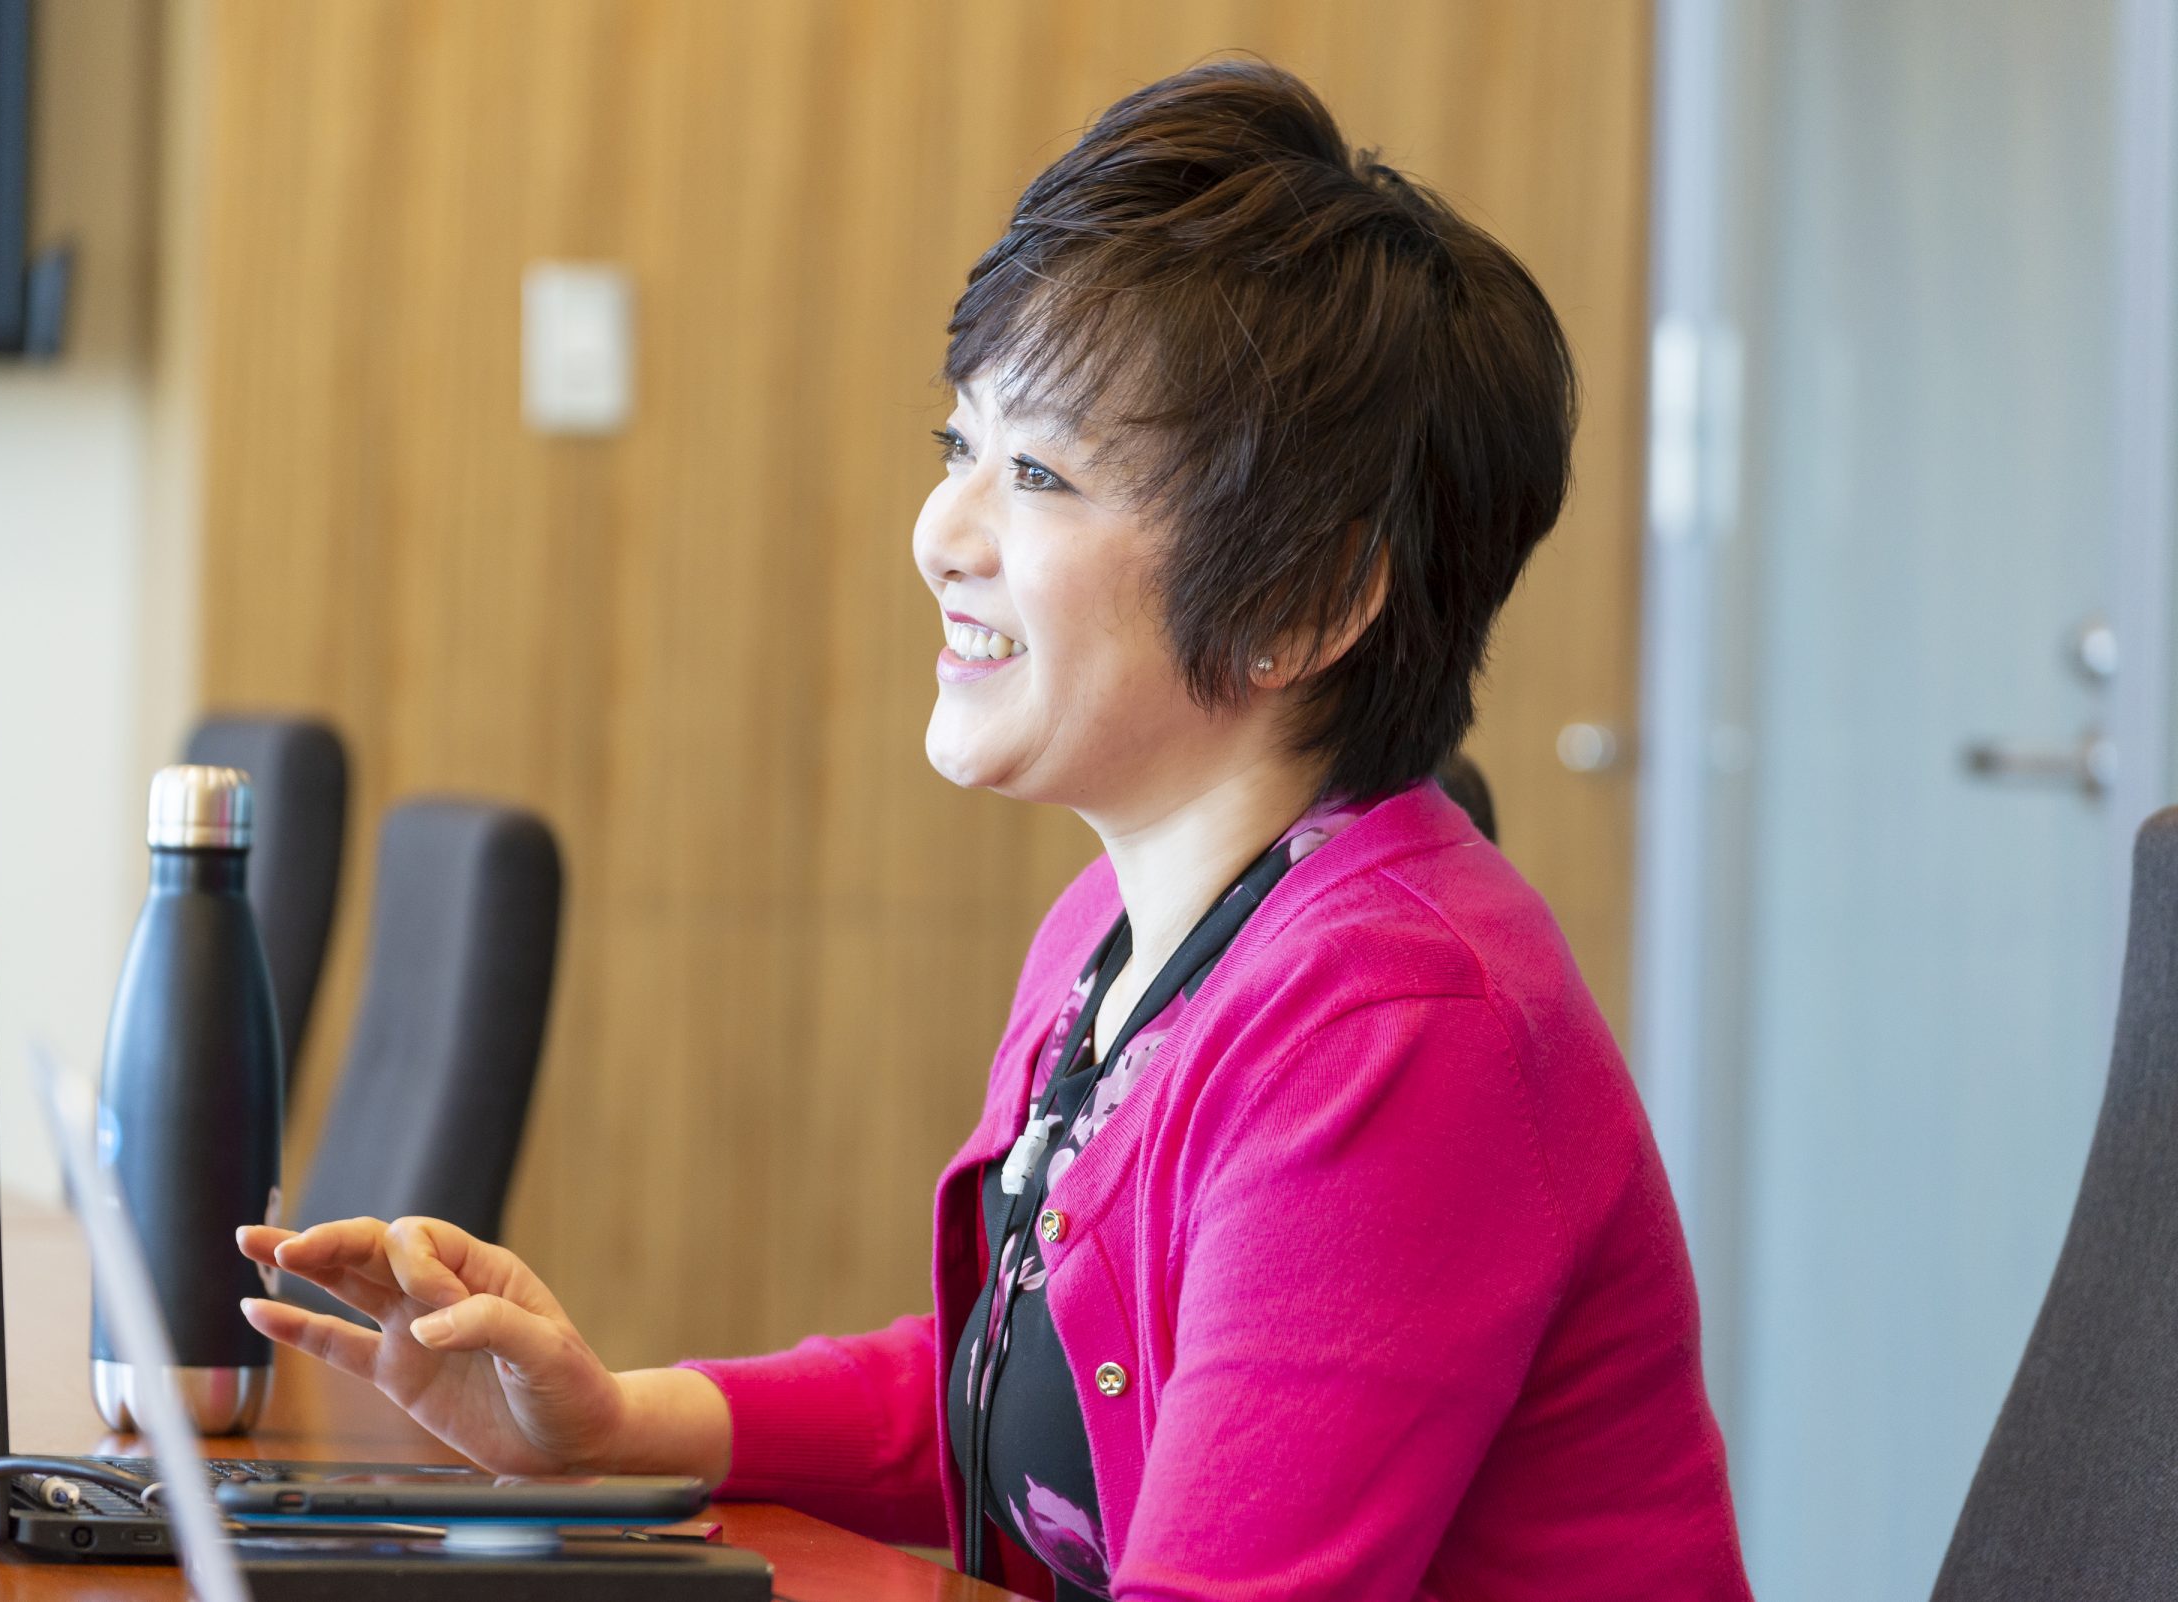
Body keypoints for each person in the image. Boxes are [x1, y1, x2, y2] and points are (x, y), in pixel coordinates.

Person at [237, 59, 1751, 1601]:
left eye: (1038, 473)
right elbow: (1021, 1391)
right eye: (959, 447)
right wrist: (617, 1419)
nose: (940, 532)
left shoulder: (1399, 1033)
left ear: (1307, 597)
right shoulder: (1116, 934)